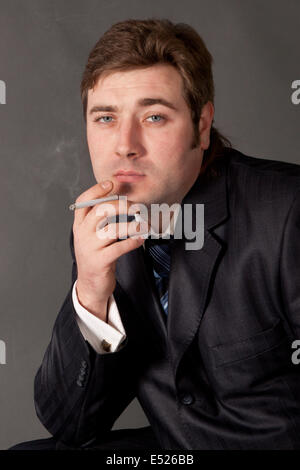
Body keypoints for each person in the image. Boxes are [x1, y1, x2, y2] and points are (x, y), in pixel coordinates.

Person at [10, 18, 300, 450]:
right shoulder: (102, 229)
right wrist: (91, 292)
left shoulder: (287, 211)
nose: (125, 144)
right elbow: (71, 426)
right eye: (106, 117)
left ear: (202, 126)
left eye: (154, 116)